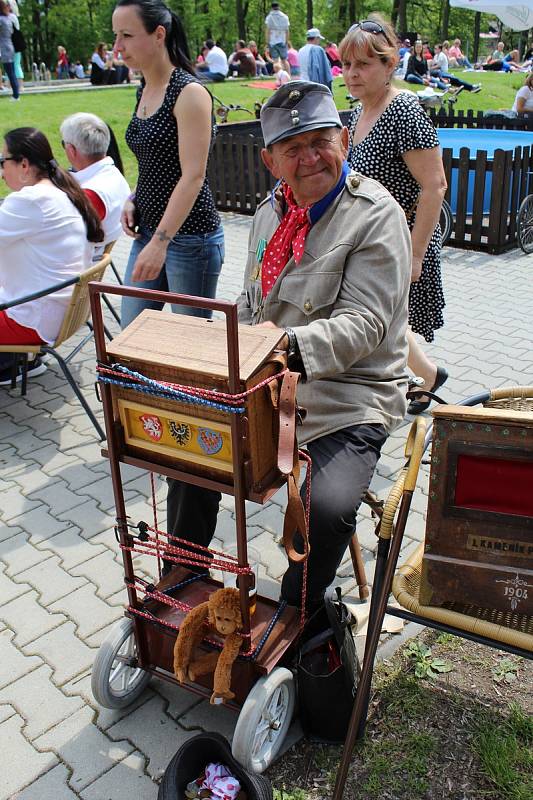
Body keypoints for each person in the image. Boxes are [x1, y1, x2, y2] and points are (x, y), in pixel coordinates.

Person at [166, 80, 411, 610]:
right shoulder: (268, 213)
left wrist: (273, 348)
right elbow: (252, 300)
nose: (310, 158)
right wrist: (223, 348)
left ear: (344, 140)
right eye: (293, 148)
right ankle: (180, 583)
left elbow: (364, 324)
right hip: (270, 383)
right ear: (270, 160)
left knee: (326, 505)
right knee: (189, 452)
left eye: (321, 140)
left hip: (351, 395)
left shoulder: (376, 214)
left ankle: (296, 616)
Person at [341, 18, 448, 414]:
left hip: (401, 244)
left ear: (390, 65)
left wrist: (416, 254)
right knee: (383, 323)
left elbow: (434, 186)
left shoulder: (403, 111)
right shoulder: (361, 111)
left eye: (363, 64)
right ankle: (426, 377)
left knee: (382, 324)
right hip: (373, 242)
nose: (352, 73)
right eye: (347, 64)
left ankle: (402, 388)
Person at [112, 0, 224, 328]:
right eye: (116, 36)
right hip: (149, 232)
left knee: (187, 350)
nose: (118, 46)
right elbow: (155, 162)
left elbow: (193, 176)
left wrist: (160, 244)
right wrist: (135, 199)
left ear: (159, 34)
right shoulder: (143, 90)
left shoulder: (189, 93)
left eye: (127, 35)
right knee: (130, 339)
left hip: (190, 240)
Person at [0, 127, 103, 385]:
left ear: (23, 164)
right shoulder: (61, 192)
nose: (1, 172)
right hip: (59, 313)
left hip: (33, 320)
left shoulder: (30, 200)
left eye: (2, 162)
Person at [60, 113, 131, 257]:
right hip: (92, 260)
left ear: (71, 150)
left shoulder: (91, 194)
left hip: (74, 269)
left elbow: (61, 238)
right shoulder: (113, 174)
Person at [0, 0, 19, 100]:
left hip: (4, 47)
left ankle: (16, 95)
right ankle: (16, 94)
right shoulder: (9, 18)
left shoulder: (1, 19)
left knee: (10, 72)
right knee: (12, 71)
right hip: (10, 46)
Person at [265, 2, 290, 72]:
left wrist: (267, 42)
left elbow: (268, 31)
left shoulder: (269, 17)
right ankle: (289, 76)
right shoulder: (285, 17)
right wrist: (286, 41)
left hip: (273, 41)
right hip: (282, 40)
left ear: (272, 8)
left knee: (275, 61)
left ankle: (279, 77)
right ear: (279, 7)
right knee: (284, 60)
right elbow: (287, 31)